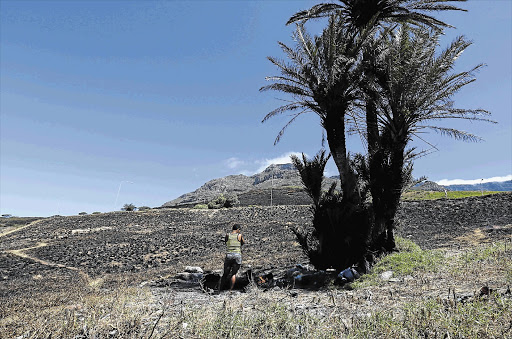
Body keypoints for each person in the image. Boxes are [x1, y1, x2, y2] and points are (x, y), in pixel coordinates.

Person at [221, 224, 245, 291]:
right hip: (237, 255)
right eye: (239, 230)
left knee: (225, 274)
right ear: (238, 229)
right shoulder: (239, 235)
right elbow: (243, 243)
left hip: (229, 255)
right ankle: (230, 290)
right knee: (233, 274)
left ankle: (220, 289)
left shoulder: (228, 235)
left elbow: (226, 242)